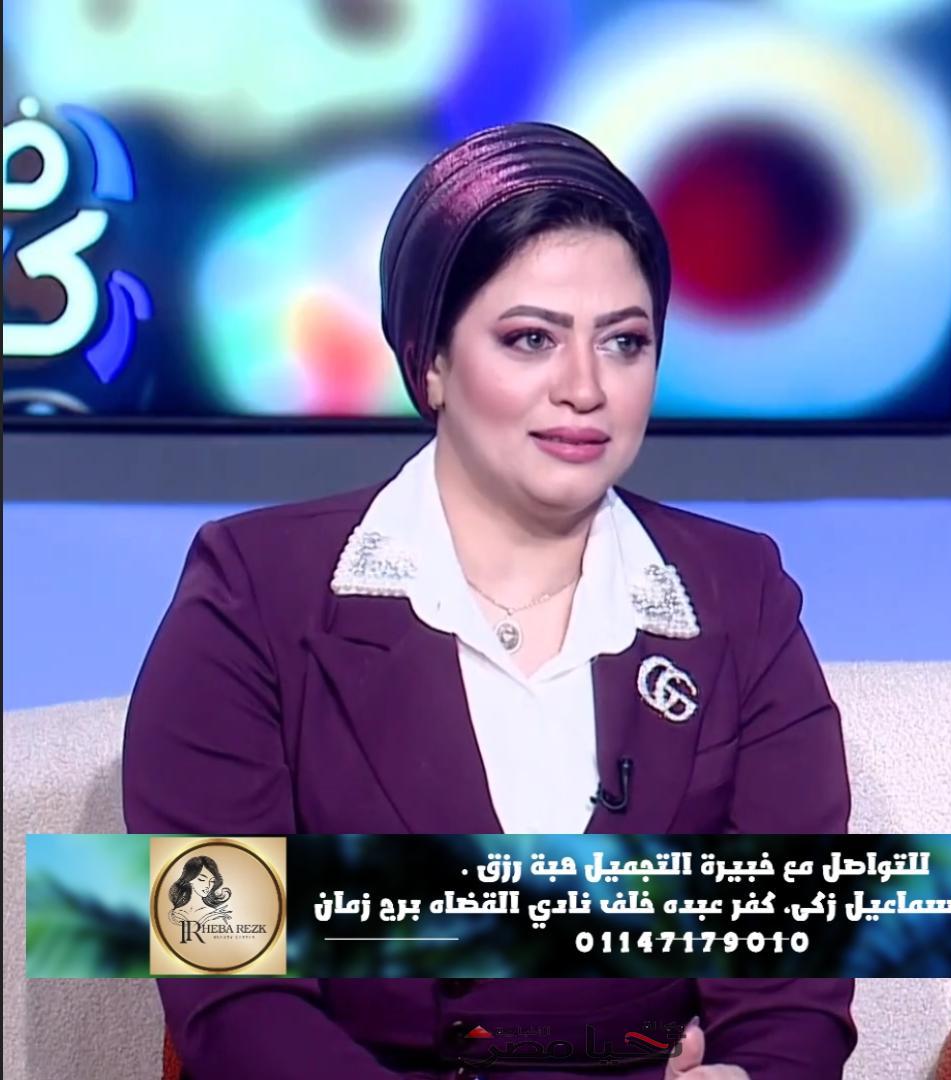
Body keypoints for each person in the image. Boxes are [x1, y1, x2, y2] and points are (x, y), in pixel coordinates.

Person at [123, 121, 855, 1080]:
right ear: (430, 359)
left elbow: (792, 989)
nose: (585, 388)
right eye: (530, 339)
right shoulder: (254, 594)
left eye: (625, 342)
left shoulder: (740, 596)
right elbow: (228, 989)